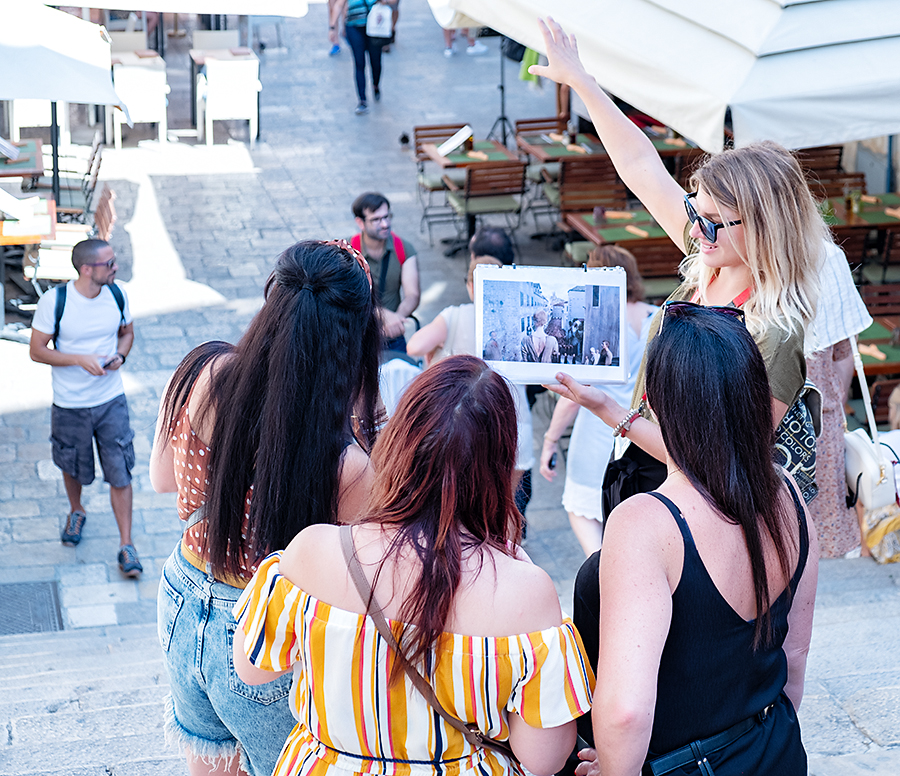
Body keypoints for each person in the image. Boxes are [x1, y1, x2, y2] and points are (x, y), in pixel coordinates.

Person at [232, 356, 595, 776]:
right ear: (498, 468)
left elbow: (251, 669)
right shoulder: (526, 593)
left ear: (398, 442)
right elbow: (544, 758)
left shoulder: (312, 550)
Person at [530, 18, 823, 486]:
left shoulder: (775, 332)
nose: (699, 230)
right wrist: (583, 82)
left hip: (692, 501)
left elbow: (722, 462)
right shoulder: (712, 256)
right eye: (695, 212)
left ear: (764, 228)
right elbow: (639, 164)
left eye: (713, 220)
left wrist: (607, 409)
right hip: (644, 470)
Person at [149, 240, 382, 776]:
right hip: (262, 635)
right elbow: (364, 569)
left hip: (183, 597)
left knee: (209, 764)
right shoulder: (345, 461)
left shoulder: (203, 373)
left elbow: (163, 480)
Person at [574, 305, 819, 774]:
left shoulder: (645, 522)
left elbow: (626, 712)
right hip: (774, 746)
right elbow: (794, 659)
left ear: (655, 401)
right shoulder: (789, 494)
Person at [29, 239, 140, 578]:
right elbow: (37, 350)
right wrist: (79, 359)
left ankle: (126, 544)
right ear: (87, 269)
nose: (116, 267)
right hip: (70, 403)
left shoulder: (117, 294)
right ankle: (76, 510)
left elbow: (127, 333)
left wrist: (120, 356)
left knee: (120, 470)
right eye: (110, 263)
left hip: (111, 400)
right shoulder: (55, 302)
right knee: (71, 463)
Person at [407, 226, 535, 515]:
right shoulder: (519, 323)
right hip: (516, 423)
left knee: (470, 506)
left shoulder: (454, 315)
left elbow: (415, 345)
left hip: (472, 426)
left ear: (470, 286)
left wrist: (433, 356)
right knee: (509, 511)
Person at [540, 246, 657, 556]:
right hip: (644, 434)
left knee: (582, 509)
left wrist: (550, 440)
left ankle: (601, 570)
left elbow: (575, 395)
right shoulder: (657, 317)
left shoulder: (599, 324)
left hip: (596, 430)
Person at [805, 241, 872, 557]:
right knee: (819, 543)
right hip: (820, 427)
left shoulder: (741, 250)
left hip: (754, 429)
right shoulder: (827, 256)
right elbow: (845, 353)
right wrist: (831, 403)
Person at [349, 192, 420, 352]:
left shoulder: (403, 248)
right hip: (356, 334)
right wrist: (381, 314)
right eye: (376, 220)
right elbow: (344, 296)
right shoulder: (348, 251)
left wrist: (396, 319)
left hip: (391, 335)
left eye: (387, 217)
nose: (385, 224)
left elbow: (413, 295)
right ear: (360, 222)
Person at [329, 0, 398, 114]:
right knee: (359, 63)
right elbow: (338, 5)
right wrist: (332, 28)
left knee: (376, 62)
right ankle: (362, 100)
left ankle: (375, 85)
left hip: (374, 26)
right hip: (354, 26)